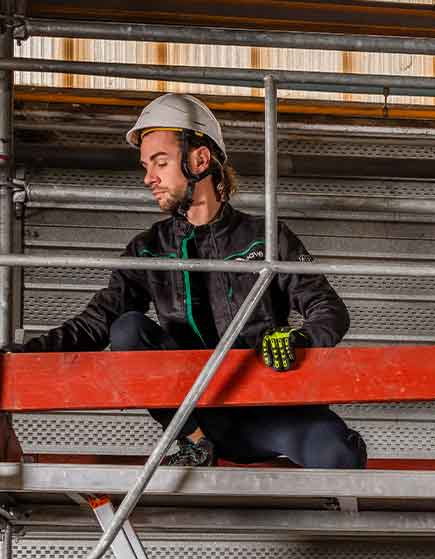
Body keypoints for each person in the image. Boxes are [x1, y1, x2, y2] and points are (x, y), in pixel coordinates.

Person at [9, 93, 367, 469]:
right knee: (128, 329)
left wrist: (300, 338)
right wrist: (21, 355)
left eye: (160, 162)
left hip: (268, 405)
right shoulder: (148, 248)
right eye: (146, 165)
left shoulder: (265, 237)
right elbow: (95, 324)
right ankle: (195, 445)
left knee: (341, 454)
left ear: (199, 159)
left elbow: (328, 308)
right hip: (198, 417)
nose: (149, 177)